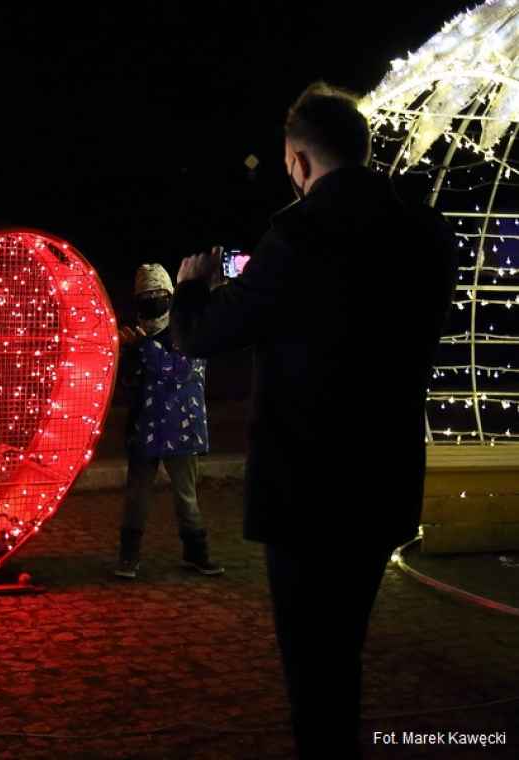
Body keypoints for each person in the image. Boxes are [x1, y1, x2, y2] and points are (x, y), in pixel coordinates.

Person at [170, 83, 457, 759]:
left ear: (298, 161)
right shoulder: (424, 230)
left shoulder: (298, 233)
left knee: (312, 664)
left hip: (305, 488)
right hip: (384, 476)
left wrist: (190, 284)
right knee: (344, 648)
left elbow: (203, 335)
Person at [116, 262, 223, 579]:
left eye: (157, 294)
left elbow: (179, 370)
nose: (151, 300)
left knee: (186, 496)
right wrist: (128, 356)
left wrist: (142, 348)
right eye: (145, 296)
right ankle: (128, 557)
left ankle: (196, 553)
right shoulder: (136, 336)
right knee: (136, 496)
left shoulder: (184, 329)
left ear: (169, 296)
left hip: (181, 426)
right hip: (144, 426)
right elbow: (129, 383)